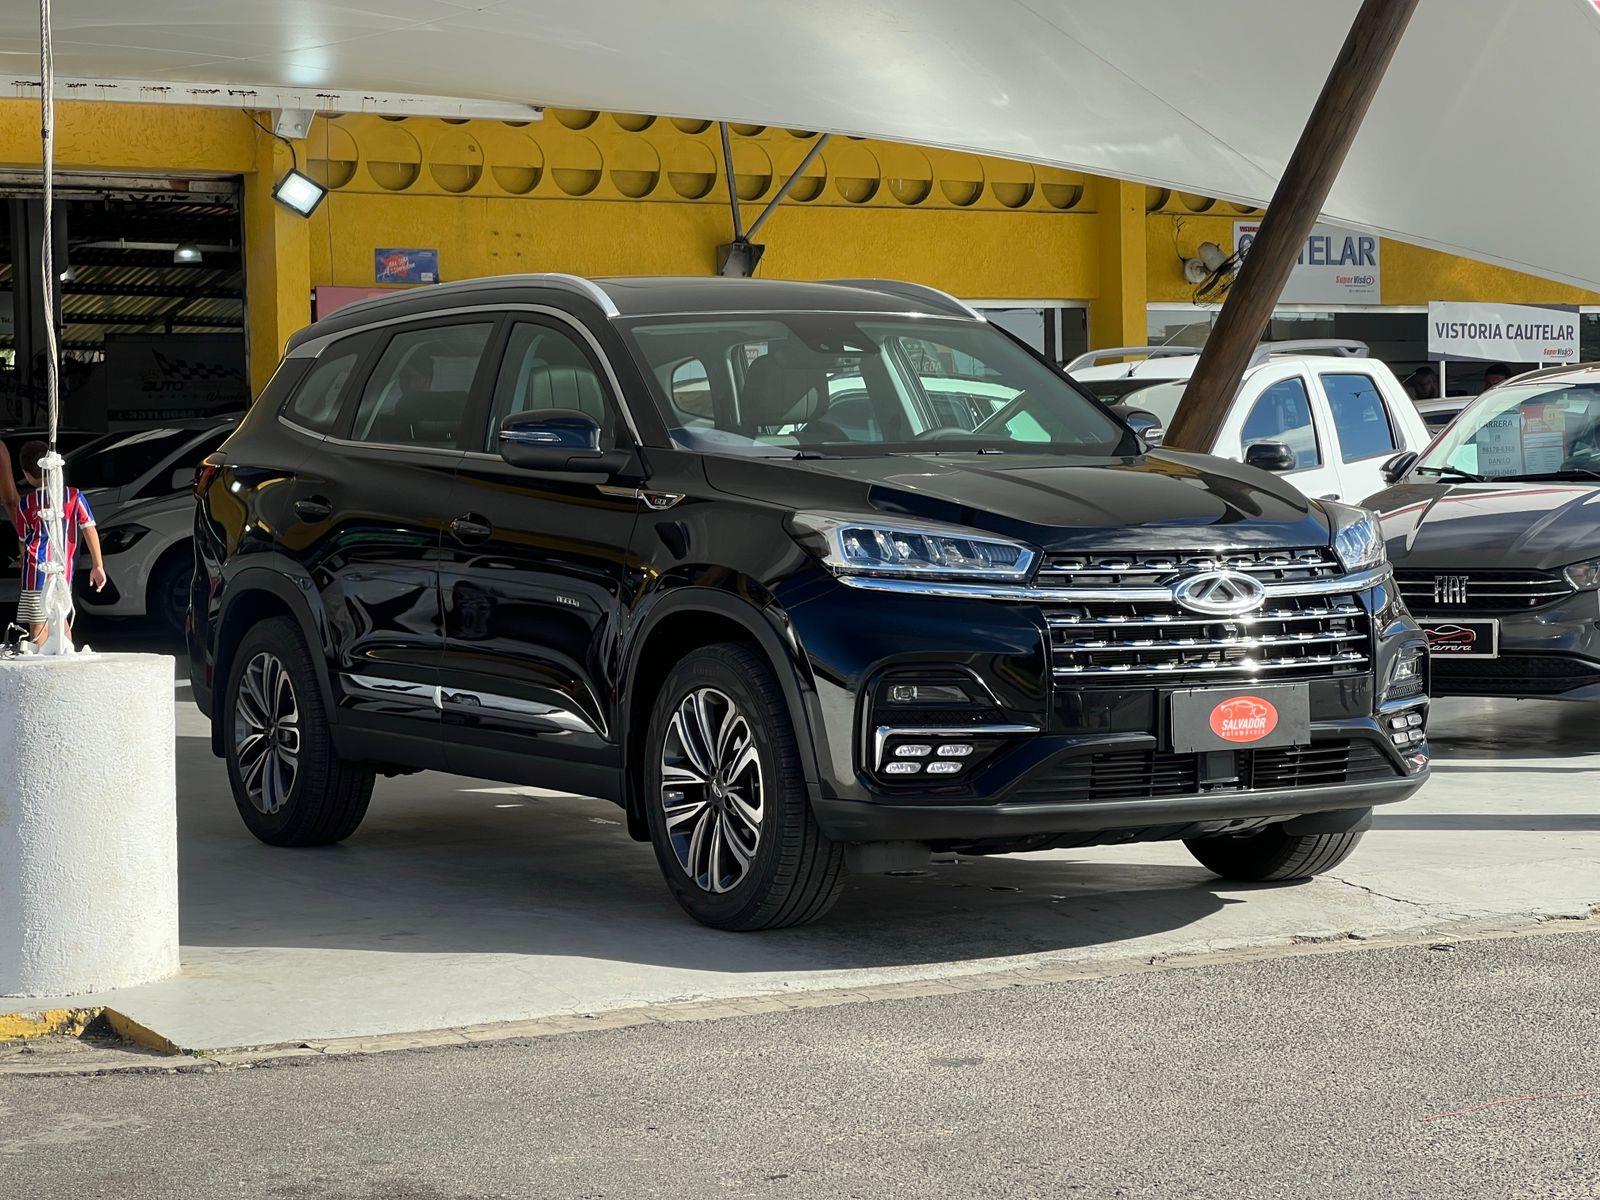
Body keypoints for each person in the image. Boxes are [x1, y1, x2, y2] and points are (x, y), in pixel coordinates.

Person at [12, 439, 104, 647]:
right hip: (64, 569)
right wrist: (98, 565)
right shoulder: (73, 496)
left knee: (38, 622)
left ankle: (39, 657)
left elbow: (23, 541)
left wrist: (23, 560)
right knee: (61, 617)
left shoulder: (26, 504)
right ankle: (65, 654)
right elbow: (89, 528)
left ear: (26, 474)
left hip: (35, 571)